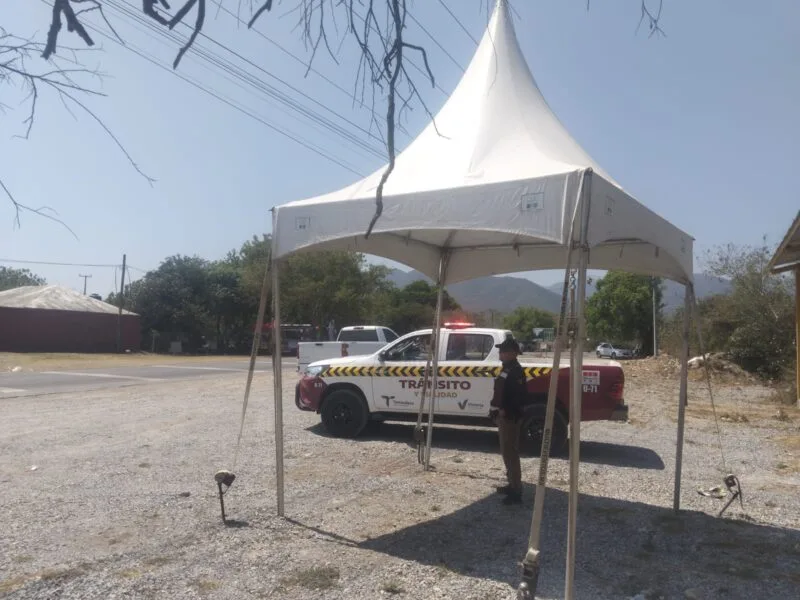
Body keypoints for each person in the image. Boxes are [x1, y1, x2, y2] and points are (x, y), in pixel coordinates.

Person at [489, 337, 528, 505]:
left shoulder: (516, 371)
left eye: (503, 351)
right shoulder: (507, 368)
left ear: (512, 353)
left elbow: (518, 397)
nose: (500, 353)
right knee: (506, 452)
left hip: (510, 418)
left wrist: (505, 411)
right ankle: (511, 483)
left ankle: (516, 490)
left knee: (511, 453)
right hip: (504, 416)